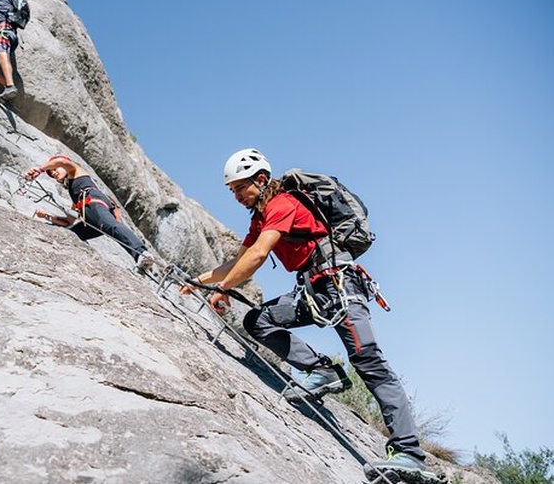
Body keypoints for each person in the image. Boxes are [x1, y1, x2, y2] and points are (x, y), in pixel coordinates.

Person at [179, 148, 438, 482]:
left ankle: (409, 453)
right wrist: (199, 281)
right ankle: (322, 370)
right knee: (258, 320)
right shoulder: (260, 218)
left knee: (367, 361)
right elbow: (238, 261)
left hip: (339, 287)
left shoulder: (282, 204)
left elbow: (258, 256)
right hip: (314, 292)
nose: (236, 195)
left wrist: (223, 288)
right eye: (232, 190)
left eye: (240, 187)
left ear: (261, 179)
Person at [24, 155, 154, 271]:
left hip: (94, 202)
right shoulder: (74, 193)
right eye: (52, 174)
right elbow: (69, 222)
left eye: (55, 169)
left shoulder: (75, 171)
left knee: (108, 225)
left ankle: (142, 253)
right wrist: (47, 216)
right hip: (90, 214)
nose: (54, 173)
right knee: (73, 233)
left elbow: (61, 161)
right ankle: (140, 260)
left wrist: (40, 169)